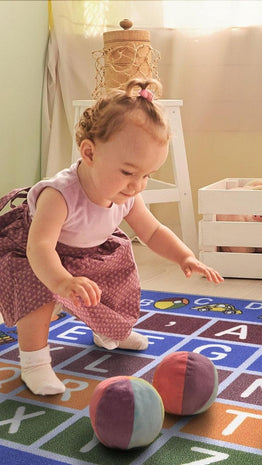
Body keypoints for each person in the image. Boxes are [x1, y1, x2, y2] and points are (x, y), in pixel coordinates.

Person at [0, 78, 223, 396]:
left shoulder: (129, 194)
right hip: (37, 255)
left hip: (89, 250)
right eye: (128, 172)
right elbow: (40, 246)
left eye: (147, 175)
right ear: (89, 153)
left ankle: (110, 331)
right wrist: (62, 282)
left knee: (119, 277)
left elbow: (152, 231)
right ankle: (34, 363)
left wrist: (183, 256)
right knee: (35, 296)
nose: (137, 185)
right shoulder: (60, 194)